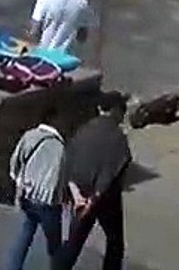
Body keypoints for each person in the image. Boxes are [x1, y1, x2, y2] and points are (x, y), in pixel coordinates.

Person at [54, 92, 133, 270]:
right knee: (115, 242)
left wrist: (76, 195)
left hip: (79, 194)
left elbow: (67, 162)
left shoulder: (83, 131)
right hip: (105, 198)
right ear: (115, 110)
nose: (123, 114)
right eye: (122, 110)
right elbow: (112, 170)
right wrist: (93, 199)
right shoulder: (117, 136)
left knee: (73, 243)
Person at [3, 105, 67, 270]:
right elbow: (59, 175)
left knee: (25, 235)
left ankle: (13, 267)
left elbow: (15, 163)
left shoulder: (29, 136)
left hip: (28, 196)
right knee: (55, 246)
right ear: (53, 119)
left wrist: (21, 182)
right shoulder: (58, 145)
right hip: (48, 202)